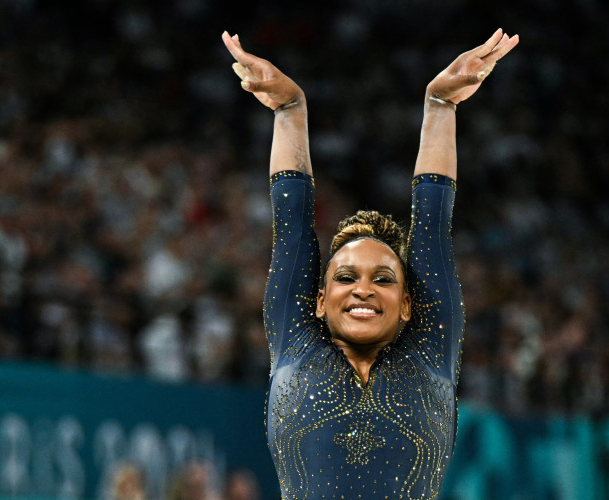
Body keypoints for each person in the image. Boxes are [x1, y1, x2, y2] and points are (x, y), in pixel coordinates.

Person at [222, 28, 518, 499]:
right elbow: (292, 224)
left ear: (407, 305)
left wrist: (441, 107)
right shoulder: (295, 344)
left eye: (383, 279)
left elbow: (433, 226)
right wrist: (289, 110)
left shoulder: (429, 356)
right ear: (318, 301)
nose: (363, 289)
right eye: (345, 277)